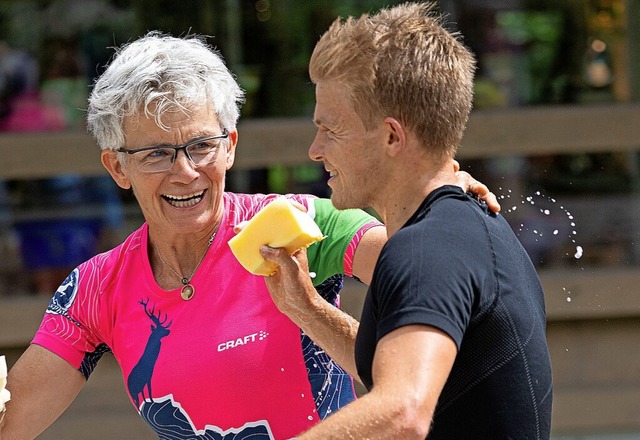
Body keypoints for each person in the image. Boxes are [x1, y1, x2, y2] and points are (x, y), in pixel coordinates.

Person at [0, 32, 497, 440]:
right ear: (117, 167)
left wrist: (439, 196)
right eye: (156, 154)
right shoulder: (96, 288)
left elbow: (434, 273)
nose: (186, 172)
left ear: (231, 145)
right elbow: (10, 422)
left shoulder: (303, 222)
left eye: (201, 145)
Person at [259, 3, 553, 439]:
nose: (315, 149)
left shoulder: (427, 249)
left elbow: (402, 411)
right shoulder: (464, 222)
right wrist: (306, 308)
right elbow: (395, 370)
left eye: (331, 129)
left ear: (393, 136)